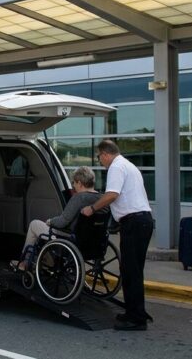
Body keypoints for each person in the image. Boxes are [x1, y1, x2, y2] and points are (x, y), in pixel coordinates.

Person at [81, 140, 153, 331]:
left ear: (105, 154)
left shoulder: (116, 167)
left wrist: (92, 208)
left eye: (99, 157)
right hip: (143, 221)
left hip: (134, 223)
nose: (100, 161)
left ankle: (136, 319)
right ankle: (135, 311)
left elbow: (112, 194)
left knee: (130, 271)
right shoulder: (128, 165)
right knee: (135, 270)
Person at [13, 166, 102, 271]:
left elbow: (62, 222)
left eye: (74, 182)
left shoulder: (79, 198)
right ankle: (46, 260)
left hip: (70, 238)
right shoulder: (101, 198)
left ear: (79, 183)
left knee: (34, 224)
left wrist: (50, 221)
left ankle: (25, 263)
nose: (73, 185)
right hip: (94, 241)